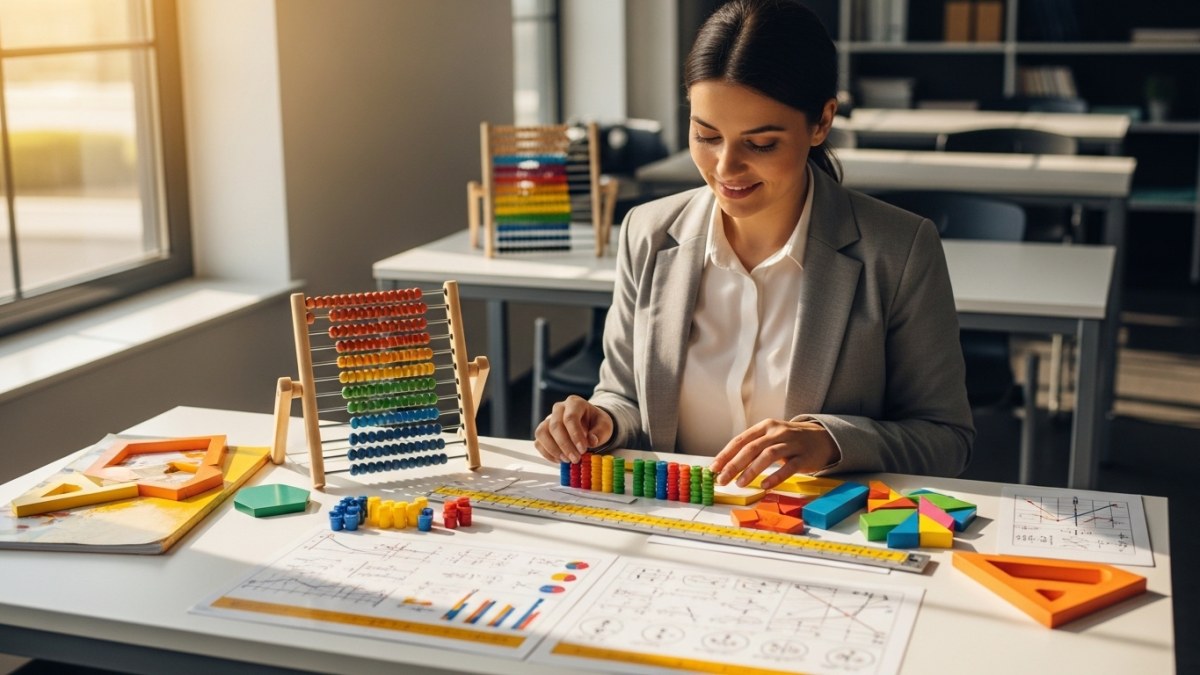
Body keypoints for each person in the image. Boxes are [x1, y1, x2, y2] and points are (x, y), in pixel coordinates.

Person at [534, 0, 974, 489]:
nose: (725, 168)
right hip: (676, 520)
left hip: (814, 535)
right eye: (706, 136)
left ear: (822, 122)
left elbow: (946, 438)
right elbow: (625, 397)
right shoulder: (648, 231)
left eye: (760, 144)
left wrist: (828, 441)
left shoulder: (900, 249)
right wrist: (602, 422)